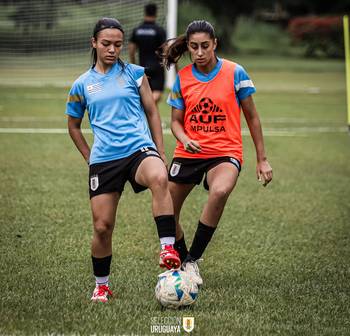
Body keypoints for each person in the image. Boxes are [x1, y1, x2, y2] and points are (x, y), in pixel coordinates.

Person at [65, 18, 180, 303]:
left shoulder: (135, 74)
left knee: (159, 176)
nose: (112, 49)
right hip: (105, 160)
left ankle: (168, 248)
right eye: (106, 44)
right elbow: (73, 125)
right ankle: (101, 285)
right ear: (94, 43)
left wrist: (160, 151)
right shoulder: (82, 85)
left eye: (117, 44)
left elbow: (152, 112)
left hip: (138, 149)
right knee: (102, 227)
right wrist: (90, 158)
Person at [160, 20, 273, 286]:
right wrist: (185, 138)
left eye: (205, 46)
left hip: (225, 151)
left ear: (215, 44)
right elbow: (176, 121)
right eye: (194, 47)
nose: (199, 52)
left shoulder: (235, 72)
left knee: (220, 190)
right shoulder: (183, 77)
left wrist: (262, 159)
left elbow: (253, 118)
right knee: (167, 213)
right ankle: (180, 257)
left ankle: (192, 262)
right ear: (188, 46)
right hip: (189, 153)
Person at [128, 3, 166, 106]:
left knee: (145, 93)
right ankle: (147, 108)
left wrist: (134, 64)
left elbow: (131, 49)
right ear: (156, 13)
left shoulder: (137, 30)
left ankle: (149, 115)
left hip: (142, 66)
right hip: (157, 67)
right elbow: (166, 49)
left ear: (145, 12)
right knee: (157, 93)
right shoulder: (159, 30)